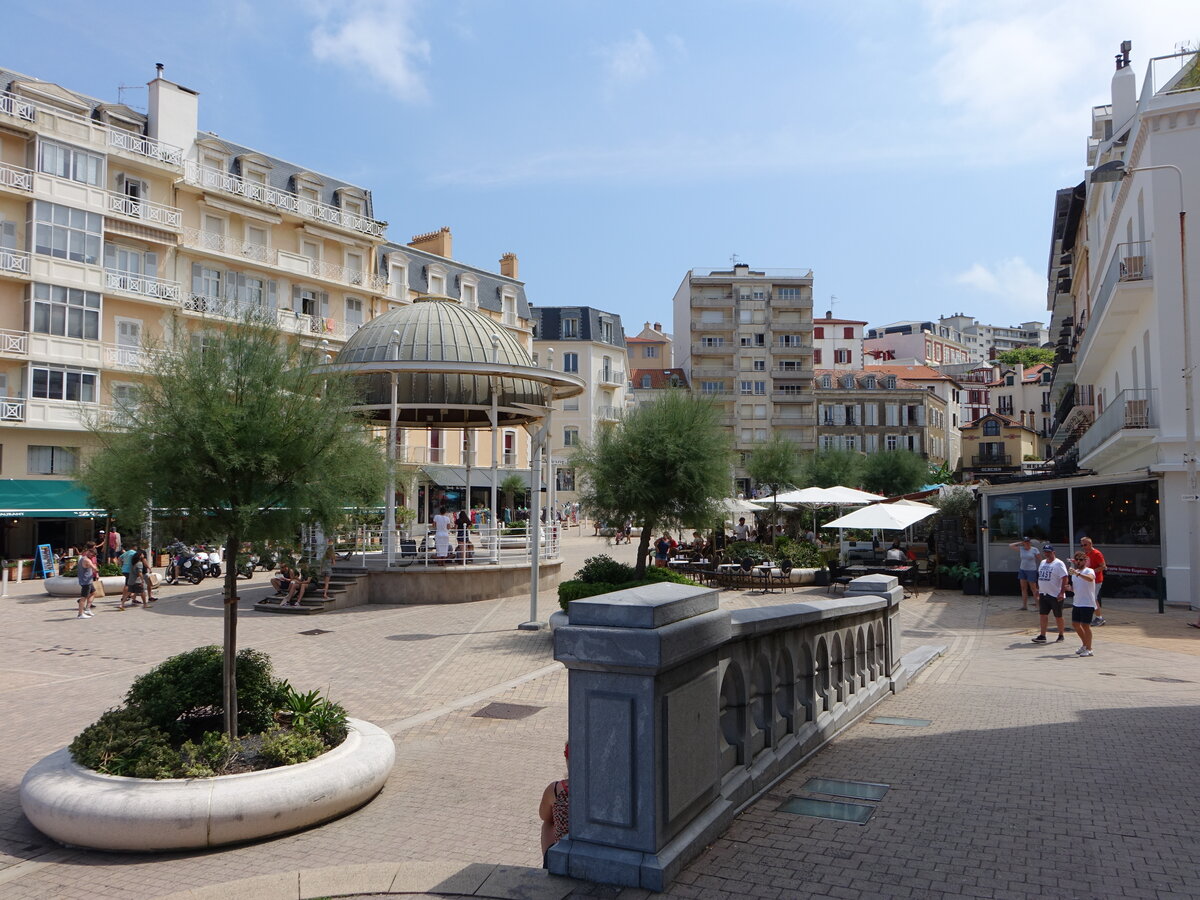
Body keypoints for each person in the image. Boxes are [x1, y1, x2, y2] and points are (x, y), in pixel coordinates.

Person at [539, 742, 569, 865]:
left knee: (548, 823)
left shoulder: (557, 790)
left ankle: (549, 860)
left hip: (565, 856)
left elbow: (544, 816)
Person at [1033, 544, 1069, 644]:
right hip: (1044, 593)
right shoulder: (1043, 562)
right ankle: (1042, 635)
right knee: (1043, 615)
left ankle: (1061, 634)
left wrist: (1062, 592)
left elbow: (1064, 577)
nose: (1046, 554)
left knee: (1058, 615)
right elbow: (1040, 576)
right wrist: (1038, 589)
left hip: (1055, 594)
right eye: (1045, 552)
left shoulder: (1059, 563)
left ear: (1053, 552)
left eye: (1049, 552)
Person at [1067, 551, 1098, 657]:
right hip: (1077, 602)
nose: (1079, 562)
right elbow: (1076, 588)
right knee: (1075, 624)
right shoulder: (1074, 573)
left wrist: (1078, 574)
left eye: (1081, 560)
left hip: (1087, 603)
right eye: (1077, 560)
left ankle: (1089, 649)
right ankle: (1085, 645)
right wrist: (1069, 588)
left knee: (1085, 625)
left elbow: (1090, 579)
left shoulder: (1089, 570)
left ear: (1085, 561)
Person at [1079, 536, 1107, 626]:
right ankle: (1093, 617)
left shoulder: (1097, 553)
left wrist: (1091, 572)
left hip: (1096, 580)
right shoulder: (1086, 554)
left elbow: (1103, 566)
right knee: (1090, 598)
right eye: (1082, 545)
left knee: (1093, 599)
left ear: (1090, 544)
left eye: (1085, 545)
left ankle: (1099, 618)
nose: (1083, 547)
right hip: (1089, 580)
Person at [1008, 536, 1041, 611]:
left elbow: (1040, 559)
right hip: (1022, 570)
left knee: (1033, 589)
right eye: (1025, 542)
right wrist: (1020, 543)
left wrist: (1041, 569)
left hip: (1031, 570)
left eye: (1028, 542)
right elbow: (1010, 545)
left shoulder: (1034, 550)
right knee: (1023, 588)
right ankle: (1024, 606)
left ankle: (1038, 606)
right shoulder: (1021, 549)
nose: (1027, 543)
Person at [76, 545, 98, 619]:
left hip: (88, 581)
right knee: (83, 598)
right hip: (86, 581)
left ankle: (88, 609)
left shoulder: (83, 558)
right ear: (89, 552)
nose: (92, 556)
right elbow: (94, 568)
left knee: (93, 592)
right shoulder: (87, 560)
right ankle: (80, 614)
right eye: (92, 555)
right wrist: (96, 569)